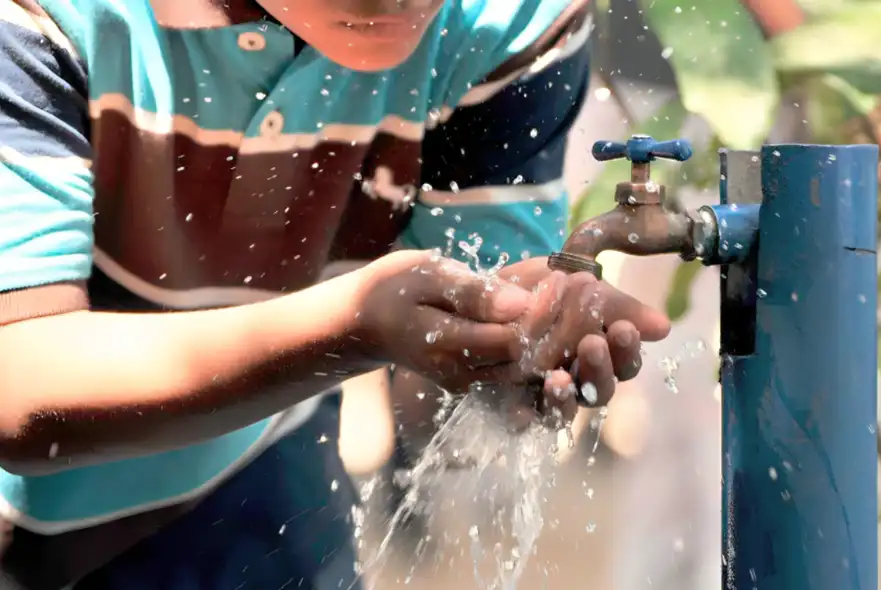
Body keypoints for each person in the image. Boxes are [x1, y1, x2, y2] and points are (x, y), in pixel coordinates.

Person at [0, 0, 672, 587]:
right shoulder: (50, 16)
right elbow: (19, 380)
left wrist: (516, 345)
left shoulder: (504, 19)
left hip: (253, 459)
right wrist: (350, 328)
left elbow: (458, 363)